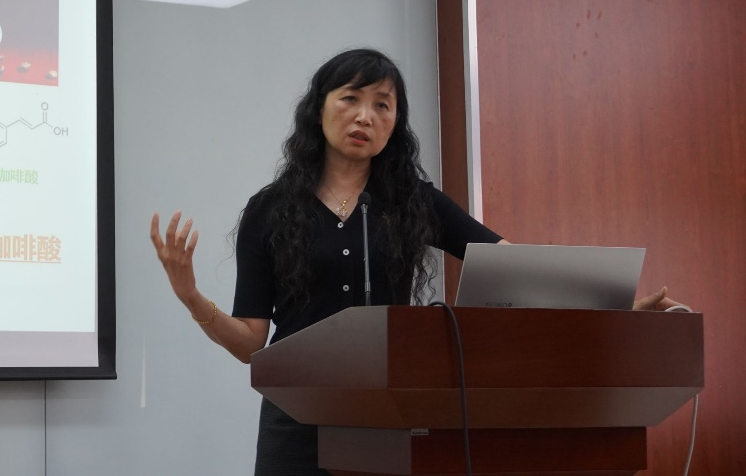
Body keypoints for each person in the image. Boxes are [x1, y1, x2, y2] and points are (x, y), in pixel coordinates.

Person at [149, 48, 677, 475]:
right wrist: (191, 297)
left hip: (391, 411)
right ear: (318, 108)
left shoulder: (414, 202)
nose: (365, 116)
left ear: (396, 123)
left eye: (383, 105)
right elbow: (250, 345)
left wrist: (613, 308)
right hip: (297, 415)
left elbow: (515, 268)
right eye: (350, 98)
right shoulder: (270, 210)